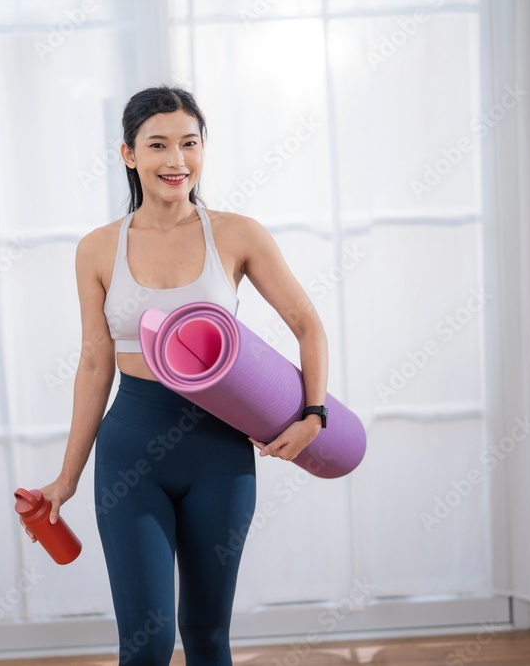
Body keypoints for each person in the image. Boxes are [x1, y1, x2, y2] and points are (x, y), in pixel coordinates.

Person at [23, 85, 330, 666]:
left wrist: (314, 415)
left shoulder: (237, 234)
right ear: (129, 154)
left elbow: (307, 324)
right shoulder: (97, 249)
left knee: (207, 636)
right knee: (146, 645)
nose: (176, 160)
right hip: (130, 455)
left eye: (190, 143)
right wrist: (66, 478)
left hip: (219, 453)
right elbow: (95, 363)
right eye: (158, 144)